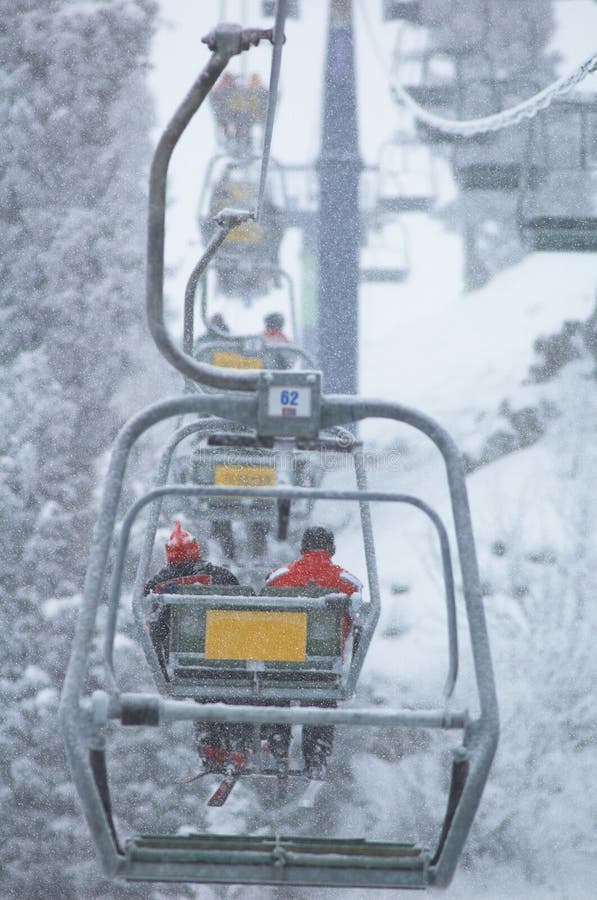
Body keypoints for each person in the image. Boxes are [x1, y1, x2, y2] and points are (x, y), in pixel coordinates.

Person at [144, 521, 246, 773]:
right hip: (226, 657)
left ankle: (210, 745)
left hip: (187, 662)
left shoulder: (157, 586)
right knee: (229, 693)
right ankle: (238, 745)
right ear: (195, 549)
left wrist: (162, 666)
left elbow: (153, 625)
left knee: (204, 692)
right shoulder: (222, 577)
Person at [265, 526, 362, 776]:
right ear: (332, 549)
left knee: (275, 693)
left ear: (303, 548)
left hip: (282, 665)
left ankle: (277, 746)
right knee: (320, 700)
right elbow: (358, 621)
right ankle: (316, 754)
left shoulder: (277, 579)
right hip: (323, 669)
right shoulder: (348, 583)